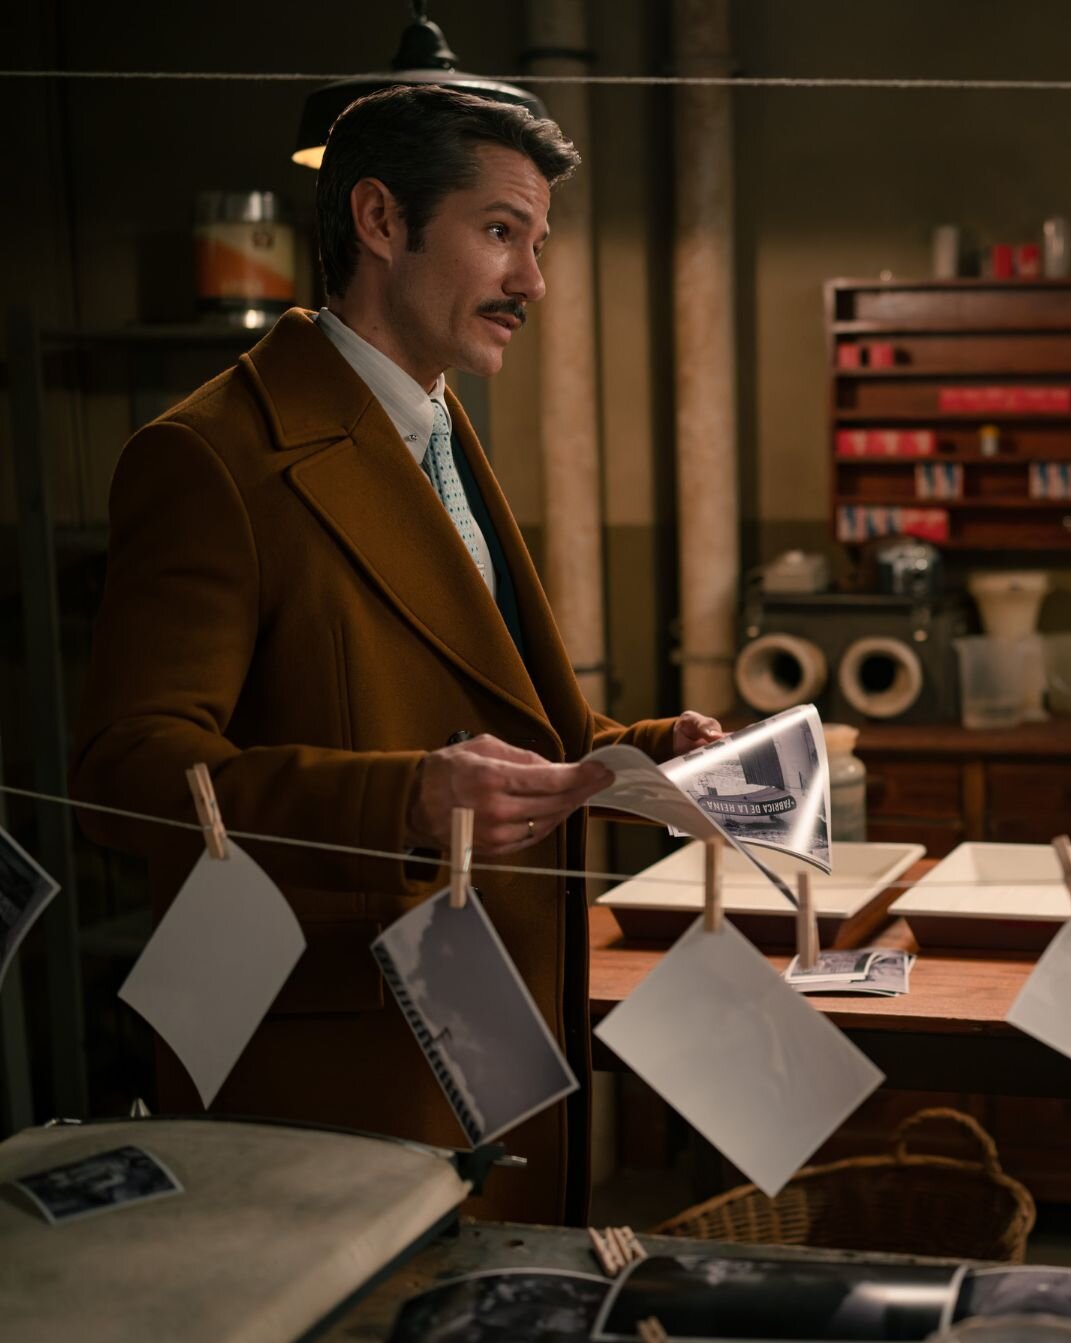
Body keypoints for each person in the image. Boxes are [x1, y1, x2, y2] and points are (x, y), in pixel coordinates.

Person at [71, 85, 721, 1225]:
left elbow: (488, 713)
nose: (533, 281)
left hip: (496, 1031)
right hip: (345, 1065)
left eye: (538, 242)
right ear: (378, 219)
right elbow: (126, 771)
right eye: (499, 232)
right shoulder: (206, 456)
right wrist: (405, 798)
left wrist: (654, 754)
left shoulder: (437, 424)